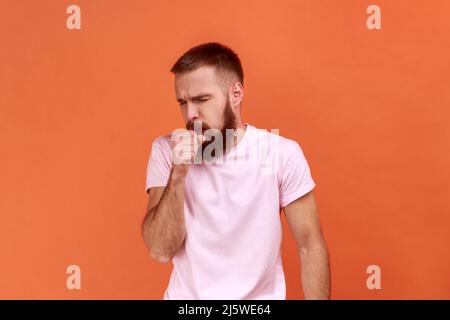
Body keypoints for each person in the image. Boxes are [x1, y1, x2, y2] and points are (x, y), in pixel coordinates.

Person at [141, 42, 330, 300]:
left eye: (201, 99)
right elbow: (160, 250)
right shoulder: (166, 151)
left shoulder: (279, 153)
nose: (190, 114)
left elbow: (310, 244)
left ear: (236, 93)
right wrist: (178, 174)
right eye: (182, 102)